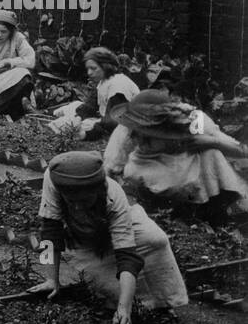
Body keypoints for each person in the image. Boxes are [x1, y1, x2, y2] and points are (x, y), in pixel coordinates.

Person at [31, 151, 188, 324]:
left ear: (97, 191)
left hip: (119, 225)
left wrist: (124, 308)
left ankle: (162, 302)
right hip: (83, 234)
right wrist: (51, 279)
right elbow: (50, 232)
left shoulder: (113, 196)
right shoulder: (53, 179)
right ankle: (128, 300)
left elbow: (127, 255)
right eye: (71, 201)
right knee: (104, 287)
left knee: (155, 240)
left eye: (84, 201)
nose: (77, 206)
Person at [104, 89, 248, 224]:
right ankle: (162, 206)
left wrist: (212, 141)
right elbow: (113, 163)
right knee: (133, 176)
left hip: (187, 168)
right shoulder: (130, 123)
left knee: (211, 153)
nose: (140, 139)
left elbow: (242, 150)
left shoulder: (194, 122)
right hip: (147, 168)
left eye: (149, 135)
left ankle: (211, 207)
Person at [48, 47, 140, 140]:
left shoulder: (118, 86)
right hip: (108, 117)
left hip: (126, 126)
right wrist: (78, 117)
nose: (89, 73)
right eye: (88, 69)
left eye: (93, 68)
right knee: (75, 106)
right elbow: (92, 104)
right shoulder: (105, 80)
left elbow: (113, 121)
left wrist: (86, 134)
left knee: (86, 125)